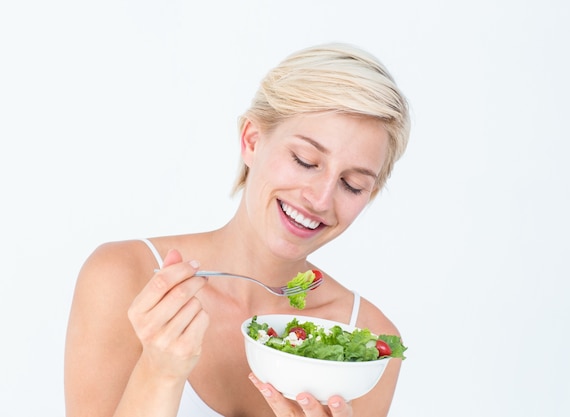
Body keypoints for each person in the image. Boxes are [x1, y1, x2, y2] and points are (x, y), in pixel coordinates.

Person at [64, 42, 411, 417]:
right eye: (305, 160)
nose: (321, 199)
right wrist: (160, 372)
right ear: (252, 140)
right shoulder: (125, 277)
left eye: (352, 185)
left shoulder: (368, 342)